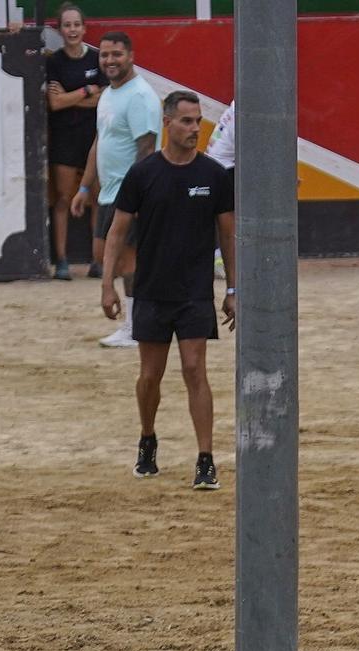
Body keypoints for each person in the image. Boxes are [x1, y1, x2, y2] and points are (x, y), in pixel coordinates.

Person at [100, 90, 236, 492]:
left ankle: (206, 458)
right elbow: (117, 231)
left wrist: (233, 287)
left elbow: (228, 235)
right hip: (152, 291)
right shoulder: (143, 174)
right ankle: (147, 438)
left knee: (195, 370)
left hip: (194, 292)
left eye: (198, 121)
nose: (195, 129)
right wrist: (108, 285)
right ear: (167, 123)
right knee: (150, 376)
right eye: (187, 121)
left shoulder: (213, 175)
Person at [75, 31, 161, 349]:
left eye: (117, 55)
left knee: (128, 261)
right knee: (103, 256)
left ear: (131, 56)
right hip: (108, 193)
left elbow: (147, 149)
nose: (110, 60)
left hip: (129, 194)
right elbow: (101, 141)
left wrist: (139, 195)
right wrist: (85, 186)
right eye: (105, 55)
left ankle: (135, 326)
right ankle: (136, 321)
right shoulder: (110, 94)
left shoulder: (140, 96)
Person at [44, 5, 103, 282]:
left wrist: (70, 97)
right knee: (63, 199)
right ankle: (63, 261)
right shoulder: (54, 61)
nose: (72, 30)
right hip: (64, 140)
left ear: (84, 28)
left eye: (76, 25)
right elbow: (54, 104)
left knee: (96, 199)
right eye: (67, 25)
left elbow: (102, 99)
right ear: (60, 29)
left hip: (93, 138)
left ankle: (97, 259)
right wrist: (85, 91)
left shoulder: (97, 58)